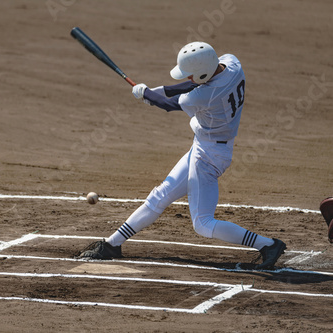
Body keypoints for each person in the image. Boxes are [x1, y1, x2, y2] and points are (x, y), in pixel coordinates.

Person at [78, 41, 286, 270]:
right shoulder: (231, 63)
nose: (187, 79)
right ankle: (112, 244)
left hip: (208, 156)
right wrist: (156, 91)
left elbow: (171, 104)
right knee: (161, 195)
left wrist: (146, 94)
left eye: (191, 75)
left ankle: (267, 245)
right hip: (207, 146)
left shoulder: (205, 95)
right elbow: (188, 87)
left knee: (203, 224)